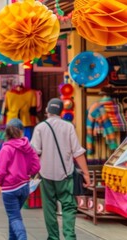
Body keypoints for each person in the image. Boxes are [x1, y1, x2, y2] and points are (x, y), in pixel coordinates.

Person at [30, 98, 91, 240]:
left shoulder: (40, 127)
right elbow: (78, 152)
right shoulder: (68, 126)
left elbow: (35, 153)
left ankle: (53, 237)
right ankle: (70, 237)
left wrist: (31, 173)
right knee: (69, 206)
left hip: (46, 175)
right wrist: (86, 174)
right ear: (61, 111)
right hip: (65, 175)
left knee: (49, 208)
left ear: (47, 110)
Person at [0, 119, 41, 240]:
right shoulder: (29, 147)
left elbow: (1, 171)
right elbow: (37, 166)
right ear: (22, 131)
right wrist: (27, 174)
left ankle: (22, 237)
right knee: (14, 216)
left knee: (14, 217)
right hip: (24, 187)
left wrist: (0, 182)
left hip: (10, 188)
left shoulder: (6, 149)